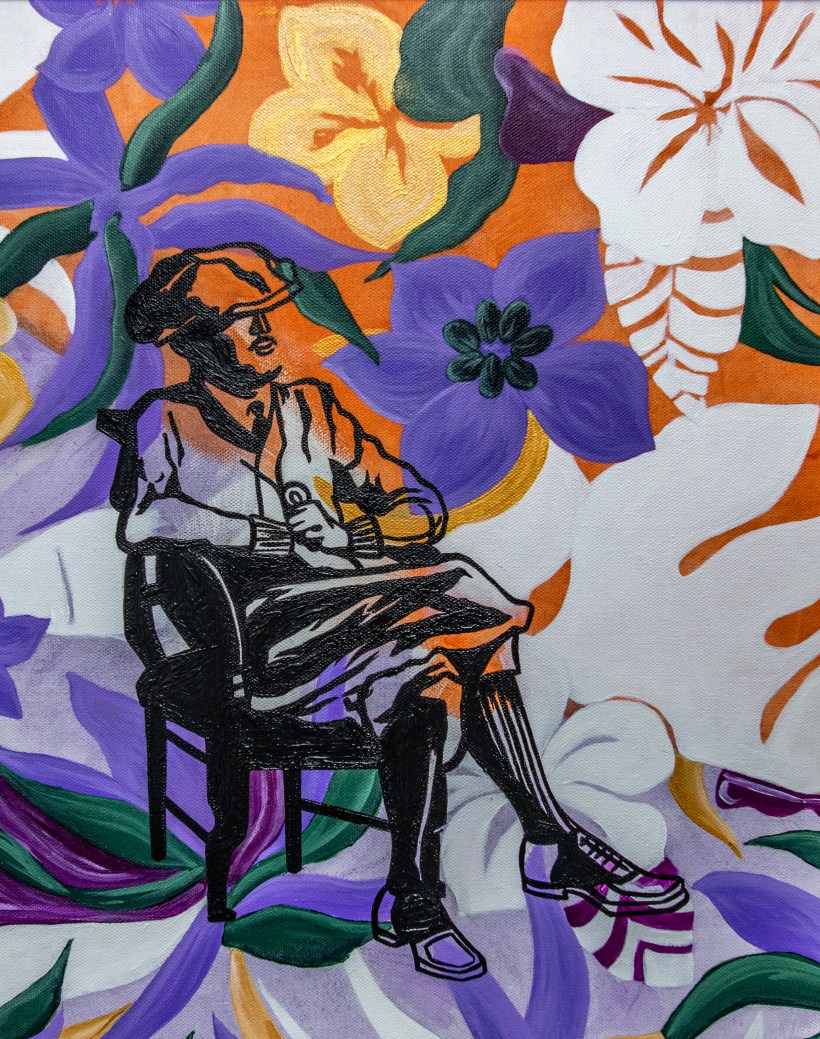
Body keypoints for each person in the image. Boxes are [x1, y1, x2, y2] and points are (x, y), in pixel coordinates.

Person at [105, 241, 687, 983]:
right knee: (460, 602)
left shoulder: (307, 409)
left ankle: (428, 892)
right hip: (252, 636)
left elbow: (413, 499)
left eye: (268, 313)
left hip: (353, 612)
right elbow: (145, 524)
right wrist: (264, 535)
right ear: (194, 342)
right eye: (242, 320)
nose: (265, 331)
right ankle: (545, 844)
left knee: (435, 663)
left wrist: (357, 529)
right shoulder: (169, 420)